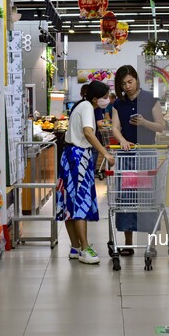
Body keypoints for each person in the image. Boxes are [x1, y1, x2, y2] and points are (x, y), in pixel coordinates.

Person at [56, 81, 114, 264]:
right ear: (96, 98)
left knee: (69, 204)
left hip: (69, 155)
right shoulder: (88, 107)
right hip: (79, 157)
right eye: (105, 97)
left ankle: (75, 247)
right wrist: (105, 153)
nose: (107, 100)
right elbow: (88, 133)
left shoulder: (79, 105)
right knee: (80, 203)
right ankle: (85, 249)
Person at [111, 65, 165, 255]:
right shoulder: (118, 104)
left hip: (146, 155)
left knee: (147, 197)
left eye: (130, 82)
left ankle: (151, 243)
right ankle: (127, 242)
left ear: (136, 79)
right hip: (127, 157)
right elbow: (115, 128)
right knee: (126, 198)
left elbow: (160, 126)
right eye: (123, 84)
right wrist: (123, 141)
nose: (127, 86)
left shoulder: (150, 99)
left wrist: (144, 123)